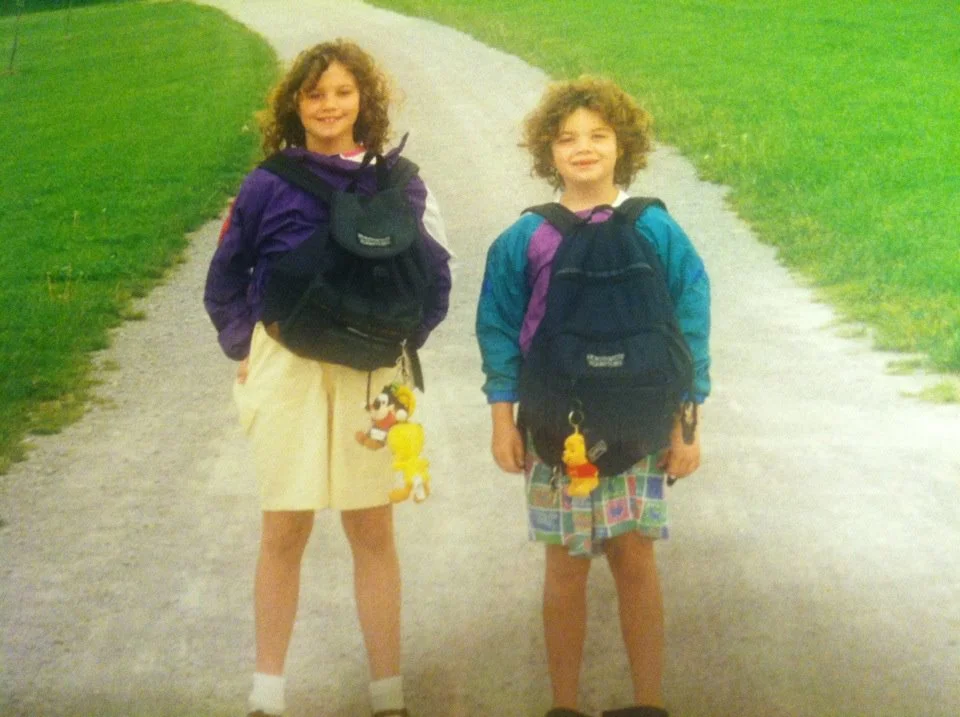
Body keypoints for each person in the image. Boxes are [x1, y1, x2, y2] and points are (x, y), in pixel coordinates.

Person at [204, 39, 451, 717]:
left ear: (364, 100)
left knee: (372, 531)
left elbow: (435, 275)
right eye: (314, 94)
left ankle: (387, 694)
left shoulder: (401, 183)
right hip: (288, 370)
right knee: (284, 529)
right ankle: (267, 694)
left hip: (373, 374)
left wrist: (403, 345)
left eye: (343, 92)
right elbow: (225, 278)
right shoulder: (266, 184)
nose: (329, 105)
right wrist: (245, 346)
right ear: (294, 105)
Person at [475, 76, 711, 717]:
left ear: (622, 147)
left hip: (641, 424)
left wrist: (686, 426)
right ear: (547, 152)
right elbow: (498, 332)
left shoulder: (657, 231)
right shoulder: (525, 239)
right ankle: (564, 705)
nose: (583, 148)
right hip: (556, 429)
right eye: (568, 138)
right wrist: (504, 420)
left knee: (635, 558)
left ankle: (648, 703)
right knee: (565, 567)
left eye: (599, 136)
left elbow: (689, 330)